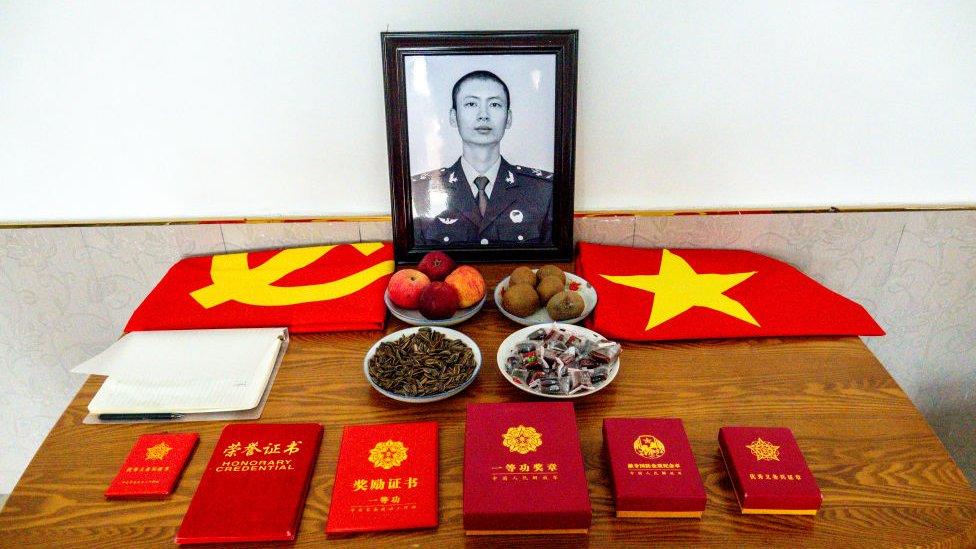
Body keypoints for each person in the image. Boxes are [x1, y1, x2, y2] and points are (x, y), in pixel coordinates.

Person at [411, 70, 553, 247]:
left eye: (494, 105)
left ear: (508, 118)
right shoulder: (419, 191)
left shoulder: (543, 191)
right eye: (471, 104)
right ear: (453, 117)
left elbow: (550, 268)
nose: (483, 115)